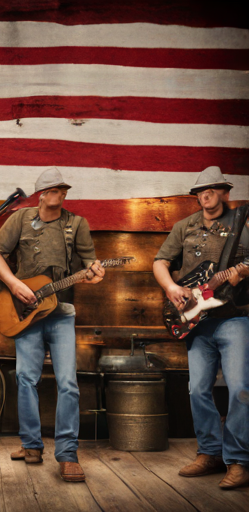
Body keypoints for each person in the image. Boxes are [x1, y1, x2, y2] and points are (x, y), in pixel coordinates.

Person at [0, 167, 104, 482]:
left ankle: (67, 455)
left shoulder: (76, 224)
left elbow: (90, 263)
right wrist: (13, 285)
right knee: (26, 379)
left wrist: (95, 272)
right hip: (27, 314)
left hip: (62, 311)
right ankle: (31, 446)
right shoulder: (20, 220)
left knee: (68, 383)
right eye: (53, 189)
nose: (59, 194)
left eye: (62, 189)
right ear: (41, 193)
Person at [153, 166, 249, 490]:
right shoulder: (185, 227)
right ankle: (210, 452)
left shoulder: (243, 224)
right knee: (197, 389)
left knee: (239, 390)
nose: (205, 195)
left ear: (224, 192)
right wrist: (170, 288)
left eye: (212, 189)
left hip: (234, 318)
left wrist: (242, 273)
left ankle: (238, 460)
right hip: (197, 320)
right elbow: (160, 262)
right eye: (200, 191)